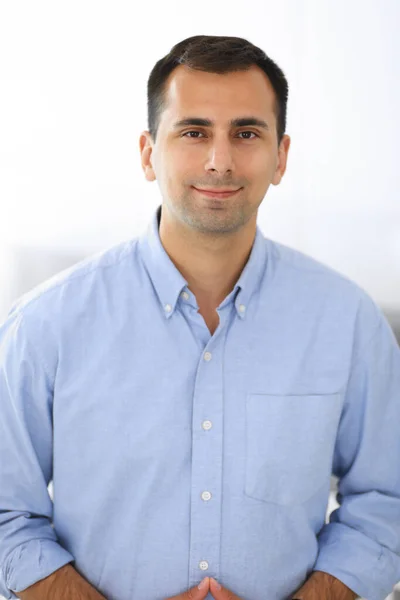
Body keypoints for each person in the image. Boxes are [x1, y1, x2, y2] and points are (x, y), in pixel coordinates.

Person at [0, 34, 399, 600]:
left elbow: (387, 499)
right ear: (147, 152)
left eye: (246, 132)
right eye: (193, 132)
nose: (219, 159)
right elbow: (6, 516)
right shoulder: (43, 326)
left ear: (281, 156)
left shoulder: (348, 323)